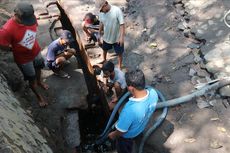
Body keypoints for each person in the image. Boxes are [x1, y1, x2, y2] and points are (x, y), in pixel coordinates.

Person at [0, 2, 49, 107]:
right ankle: (39, 97)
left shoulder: (30, 18)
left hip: (36, 51)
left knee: (39, 68)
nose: (28, 22)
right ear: (16, 15)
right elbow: (2, 45)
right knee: (31, 78)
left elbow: (34, 27)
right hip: (24, 60)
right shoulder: (7, 30)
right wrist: (12, 49)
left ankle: (39, 82)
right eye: (25, 20)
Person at [108, 69, 158, 153]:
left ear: (131, 88)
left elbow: (121, 132)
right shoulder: (154, 93)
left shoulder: (129, 110)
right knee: (137, 133)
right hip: (140, 128)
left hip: (127, 137)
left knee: (123, 148)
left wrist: (112, 135)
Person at [95, 0, 125, 69]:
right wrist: (99, 33)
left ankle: (120, 66)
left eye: (101, 9)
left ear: (105, 4)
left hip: (117, 38)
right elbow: (101, 23)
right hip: (106, 37)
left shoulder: (117, 11)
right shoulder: (101, 13)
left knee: (119, 53)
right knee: (104, 49)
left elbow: (122, 24)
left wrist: (121, 37)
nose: (101, 11)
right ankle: (104, 60)